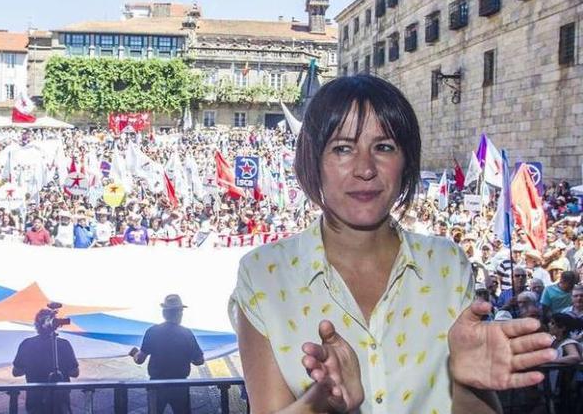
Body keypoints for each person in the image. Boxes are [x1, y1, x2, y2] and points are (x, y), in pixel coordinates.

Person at [230, 75, 554, 413]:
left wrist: (465, 383)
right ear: (313, 160)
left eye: (384, 147)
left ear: (407, 161)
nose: (366, 168)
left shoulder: (446, 265)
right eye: (343, 148)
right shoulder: (265, 274)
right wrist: (321, 401)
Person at [129, 294, 204, 414]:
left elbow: (140, 359)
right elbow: (199, 360)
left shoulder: (152, 331)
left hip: (157, 385)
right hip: (180, 385)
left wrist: (134, 353)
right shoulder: (186, 334)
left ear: (164, 313)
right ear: (180, 313)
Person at [12, 308, 79, 414]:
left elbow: (16, 372)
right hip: (60, 400)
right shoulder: (64, 344)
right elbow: (74, 372)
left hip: (35, 400)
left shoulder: (27, 344)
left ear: (37, 325)